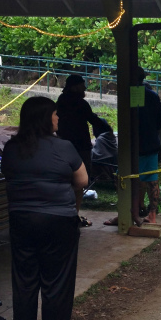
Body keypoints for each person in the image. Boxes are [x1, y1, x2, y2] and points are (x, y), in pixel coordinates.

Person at [1, 96, 88, 320]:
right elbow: (82, 180)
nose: (58, 118)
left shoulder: (12, 148)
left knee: (25, 283)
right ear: (45, 118)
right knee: (56, 285)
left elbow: (7, 174)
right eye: (54, 114)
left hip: (21, 221)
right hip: (58, 222)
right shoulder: (64, 147)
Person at [56, 74, 111, 226]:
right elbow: (92, 119)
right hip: (79, 148)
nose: (84, 88)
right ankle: (75, 215)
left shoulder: (61, 101)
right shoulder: (80, 103)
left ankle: (65, 215)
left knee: (65, 182)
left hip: (63, 146)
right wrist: (107, 127)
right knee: (79, 184)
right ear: (74, 87)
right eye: (81, 85)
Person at [135, 66, 161, 225]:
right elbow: (160, 121)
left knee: (125, 179)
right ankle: (151, 214)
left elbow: (133, 121)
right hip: (151, 143)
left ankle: (128, 213)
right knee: (151, 180)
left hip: (136, 146)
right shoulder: (152, 96)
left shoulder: (135, 95)